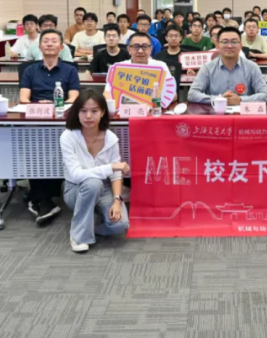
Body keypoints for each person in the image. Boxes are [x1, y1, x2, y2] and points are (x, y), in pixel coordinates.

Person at [20, 29, 81, 224]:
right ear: (39, 47)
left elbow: (74, 97)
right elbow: (23, 98)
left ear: (61, 47)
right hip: (36, 119)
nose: (49, 44)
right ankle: (42, 197)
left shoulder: (70, 70)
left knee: (58, 151)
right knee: (36, 151)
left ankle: (41, 198)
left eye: (54, 41)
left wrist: (56, 105)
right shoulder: (30, 70)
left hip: (62, 118)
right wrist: (39, 105)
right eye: (45, 41)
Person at [61, 89, 130, 253]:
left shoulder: (110, 138)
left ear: (103, 112)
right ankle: (79, 236)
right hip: (75, 188)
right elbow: (76, 175)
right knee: (93, 183)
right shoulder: (68, 136)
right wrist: (110, 167)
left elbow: (116, 175)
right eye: (83, 111)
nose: (88, 116)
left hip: (104, 188)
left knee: (120, 225)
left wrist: (117, 200)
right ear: (77, 113)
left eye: (94, 111)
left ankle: (91, 222)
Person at [188, 28, 267, 104]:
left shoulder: (252, 67)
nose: (229, 46)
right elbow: (192, 94)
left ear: (241, 46)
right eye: (225, 42)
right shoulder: (207, 68)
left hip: (243, 113)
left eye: (234, 42)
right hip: (216, 112)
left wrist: (241, 100)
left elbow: (266, 95)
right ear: (218, 45)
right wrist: (218, 99)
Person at [103, 32, 177, 109]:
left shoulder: (160, 66)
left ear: (150, 49)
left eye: (145, 47)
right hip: (125, 110)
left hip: (153, 111)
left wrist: (153, 103)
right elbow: (107, 93)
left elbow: (173, 95)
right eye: (136, 47)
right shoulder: (119, 68)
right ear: (129, 49)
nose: (140, 51)